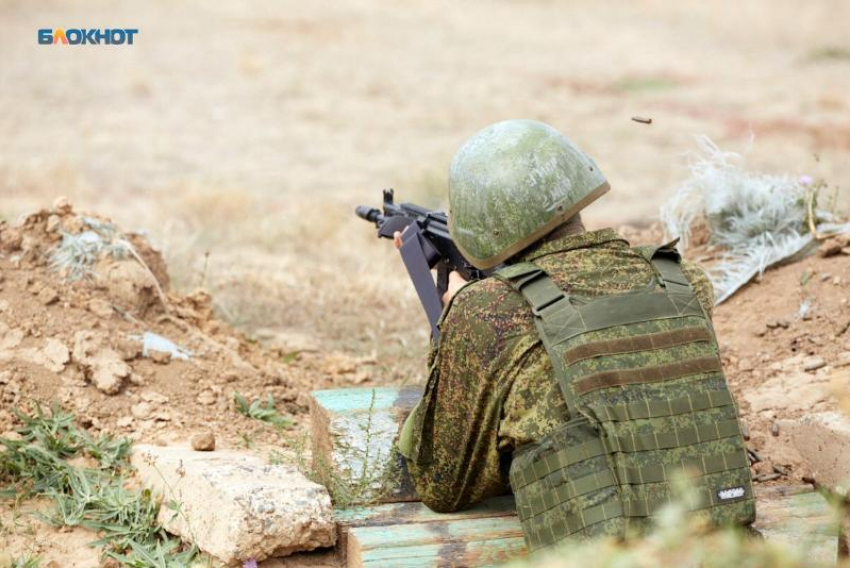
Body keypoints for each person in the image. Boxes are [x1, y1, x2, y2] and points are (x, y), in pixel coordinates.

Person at [396, 119, 754, 551]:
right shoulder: (682, 282)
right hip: (723, 543)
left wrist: (450, 322)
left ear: (482, 226)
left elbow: (442, 484)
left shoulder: (488, 311)